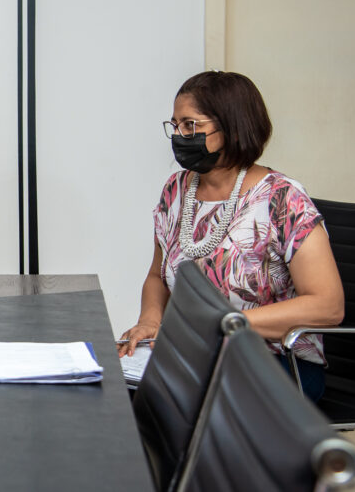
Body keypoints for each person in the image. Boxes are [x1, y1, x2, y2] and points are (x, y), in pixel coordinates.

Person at [118, 71, 343, 402]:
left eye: (191, 126)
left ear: (232, 127)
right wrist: (150, 321)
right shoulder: (175, 190)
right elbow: (157, 275)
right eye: (175, 125)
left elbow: (328, 306)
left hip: (277, 364)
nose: (179, 135)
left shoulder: (283, 198)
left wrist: (224, 324)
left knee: (170, 401)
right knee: (118, 391)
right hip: (197, 356)